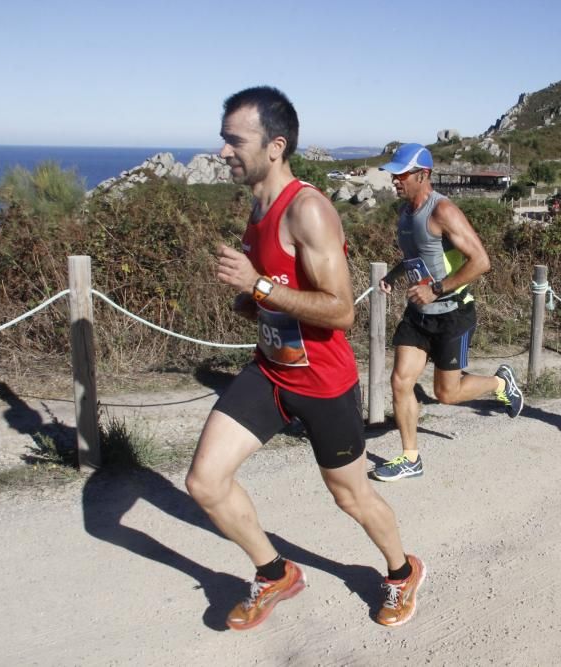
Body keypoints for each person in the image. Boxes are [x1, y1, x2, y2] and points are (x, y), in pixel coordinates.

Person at [186, 86, 424, 630]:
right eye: (223, 140)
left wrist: (260, 287)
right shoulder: (258, 204)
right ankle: (275, 574)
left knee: (351, 496)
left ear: (275, 146)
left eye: (233, 141)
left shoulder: (308, 210)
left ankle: (401, 570)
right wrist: (252, 301)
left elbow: (341, 313)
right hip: (270, 372)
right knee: (205, 481)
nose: (224, 151)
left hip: (323, 382)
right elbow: (276, 294)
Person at [370, 143, 523, 482]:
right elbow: (416, 255)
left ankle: (501, 382)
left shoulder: (444, 211)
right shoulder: (405, 213)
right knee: (400, 381)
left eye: (401, 174)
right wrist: (393, 277)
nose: (394, 180)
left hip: (452, 312)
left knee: (447, 394)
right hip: (418, 314)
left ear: (422, 175)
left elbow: (482, 262)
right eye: (394, 174)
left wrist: (436, 289)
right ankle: (411, 458)